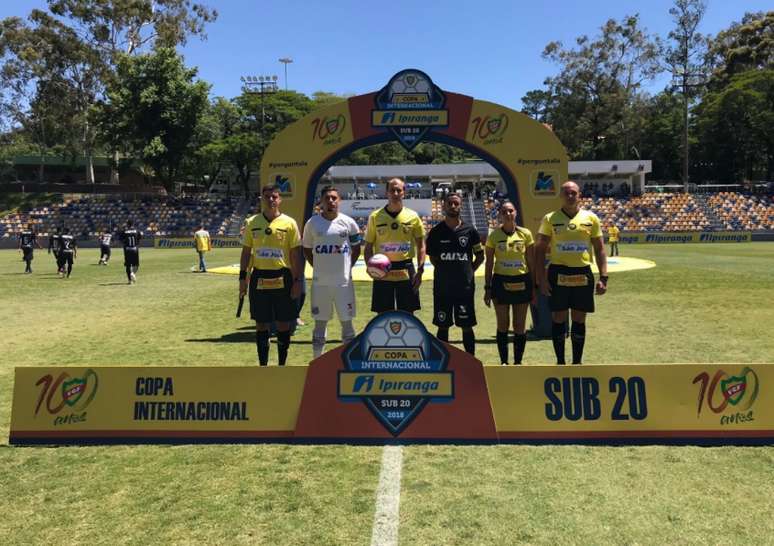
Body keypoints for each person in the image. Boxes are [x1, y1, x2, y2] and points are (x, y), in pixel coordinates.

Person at [535, 181, 608, 365]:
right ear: (561, 195)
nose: (570, 196)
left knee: (579, 318)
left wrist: (603, 277)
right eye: (566, 193)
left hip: (582, 273)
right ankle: (560, 362)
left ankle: (577, 363)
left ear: (579, 195)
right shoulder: (550, 218)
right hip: (558, 272)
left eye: (573, 193)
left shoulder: (591, 218)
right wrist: (541, 280)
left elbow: (599, 249)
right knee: (558, 317)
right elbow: (539, 249)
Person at [239, 184, 303, 366]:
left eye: (274, 196)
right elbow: (246, 252)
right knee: (261, 323)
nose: (271, 200)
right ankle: (263, 366)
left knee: (284, 323)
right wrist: (243, 278)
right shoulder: (252, 222)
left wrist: (298, 280)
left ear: (280, 199)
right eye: (267, 196)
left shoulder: (289, 223)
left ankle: (281, 364)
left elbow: (295, 254)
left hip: (283, 276)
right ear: (262, 199)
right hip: (259, 277)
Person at [302, 185, 361, 358]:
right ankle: (317, 361)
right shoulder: (312, 223)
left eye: (334, 198)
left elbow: (356, 249)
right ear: (321, 201)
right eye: (327, 198)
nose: (330, 201)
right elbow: (306, 249)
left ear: (339, 201)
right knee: (320, 325)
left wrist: (346, 267)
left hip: (343, 283)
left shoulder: (349, 223)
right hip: (321, 283)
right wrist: (317, 266)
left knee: (347, 324)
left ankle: (349, 360)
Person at [426, 192, 484, 355]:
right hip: (442, 288)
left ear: (461, 206)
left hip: (464, 288)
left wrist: (469, 270)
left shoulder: (470, 231)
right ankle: (444, 363)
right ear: (444, 206)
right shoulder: (436, 232)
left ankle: (471, 362)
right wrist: (446, 272)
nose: (453, 206)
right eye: (449, 203)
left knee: (466, 326)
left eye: (456, 203)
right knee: (443, 325)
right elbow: (433, 258)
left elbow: (480, 255)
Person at [484, 201, 536, 365]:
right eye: (504, 211)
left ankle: (518, 363)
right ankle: (504, 362)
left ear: (516, 213)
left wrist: (533, 286)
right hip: (500, 282)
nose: (508, 214)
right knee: (503, 324)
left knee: (519, 325)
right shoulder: (494, 236)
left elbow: (531, 261)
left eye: (511, 211)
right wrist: (487, 287)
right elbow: (489, 263)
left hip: (522, 281)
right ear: (499, 214)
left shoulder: (526, 234)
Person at [363, 178, 426, 314]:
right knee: (383, 315)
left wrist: (420, 270)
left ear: (404, 193)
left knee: (408, 314)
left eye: (399, 190)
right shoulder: (375, 216)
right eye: (392, 190)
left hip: (407, 271)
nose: (396, 193)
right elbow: (368, 247)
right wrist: (370, 266)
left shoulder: (413, 216)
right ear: (387, 193)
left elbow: (421, 245)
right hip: (382, 270)